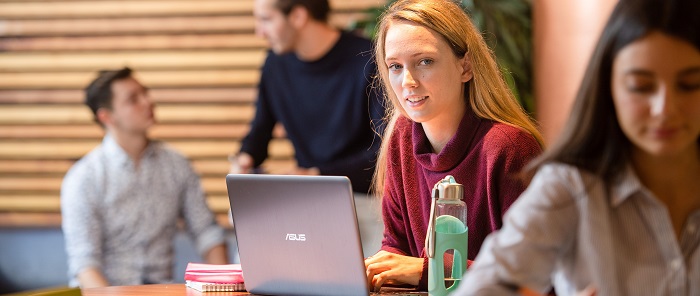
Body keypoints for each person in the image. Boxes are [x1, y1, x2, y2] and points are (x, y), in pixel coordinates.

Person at [458, 0, 700, 294]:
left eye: (690, 85)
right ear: (608, 86)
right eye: (641, 86)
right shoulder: (570, 187)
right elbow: (481, 287)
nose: (665, 109)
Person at [363, 0, 544, 291]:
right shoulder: (401, 137)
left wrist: (430, 270)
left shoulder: (510, 148)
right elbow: (396, 247)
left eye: (425, 62)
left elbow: (535, 276)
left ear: (466, 66)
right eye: (395, 66)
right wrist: (379, 271)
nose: (407, 81)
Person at [61, 68, 228, 288]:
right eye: (133, 99)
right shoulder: (84, 178)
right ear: (107, 117)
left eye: (145, 93)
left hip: (163, 289)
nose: (148, 102)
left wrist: (226, 286)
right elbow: (85, 264)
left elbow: (206, 233)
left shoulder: (176, 164)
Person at [230, 0, 384, 194]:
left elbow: (384, 153)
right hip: (309, 194)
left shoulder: (368, 59)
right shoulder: (275, 65)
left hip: (364, 197)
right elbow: (260, 130)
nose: (259, 32)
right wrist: (245, 159)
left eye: (266, 19)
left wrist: (315, 176)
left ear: (298, 16)